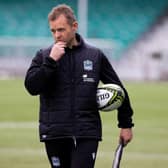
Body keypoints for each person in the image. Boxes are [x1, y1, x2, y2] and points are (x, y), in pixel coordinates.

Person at [24, 4, 134, 168]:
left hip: (86, 133)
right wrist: (51, 62)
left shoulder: (94, 55)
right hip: (55, 133)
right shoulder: (44, 56)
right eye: (53, 31)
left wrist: (126, 124)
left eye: (61, 30)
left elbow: (118, 89)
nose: (57, 35)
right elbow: (32, 87)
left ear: (74, 26)